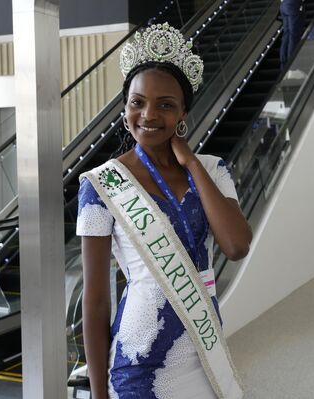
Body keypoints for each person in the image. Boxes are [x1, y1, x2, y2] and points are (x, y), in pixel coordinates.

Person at [76, 23, 252, 398]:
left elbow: (236, 246)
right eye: (137, 102)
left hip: (205, 350)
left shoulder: (213, 168)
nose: (149, 114)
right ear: (125, 108)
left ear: (183, 112)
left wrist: (191, 162)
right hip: (140, 360)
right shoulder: (100, 185)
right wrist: (97, 392)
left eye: (165, 104)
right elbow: (95, 300)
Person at [279, 0, 304, 69]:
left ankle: (283, 63)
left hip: (284, 5)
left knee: (287, 35)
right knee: (294, 35)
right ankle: (292, 64)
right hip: (293, 4)